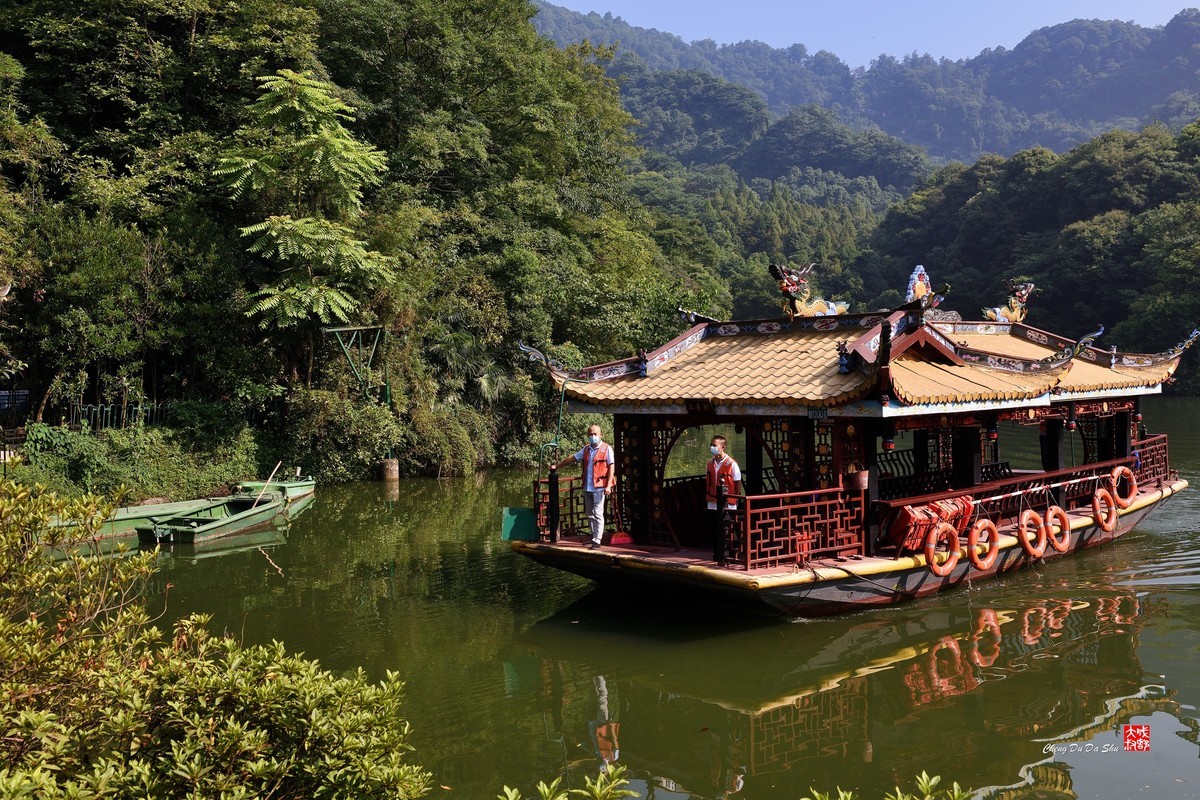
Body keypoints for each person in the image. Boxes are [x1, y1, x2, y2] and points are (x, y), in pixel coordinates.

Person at [553, 424, 615, 549]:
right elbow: (573, 458)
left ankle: (598, 540)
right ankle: (593, 537)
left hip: (600, 487)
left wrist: (608, 486)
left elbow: (611, 467)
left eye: (595, 434)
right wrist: (557, 466)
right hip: (588, 486)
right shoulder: (586, 449)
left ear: (600, 435)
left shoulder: (607, 449)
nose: (593, 436)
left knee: (598, 513)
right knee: (590, 513)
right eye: (591, 434)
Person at [706, 435, 743, 511]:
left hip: (728, 503)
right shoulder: (710, 464)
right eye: (711, 445)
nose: (712, 447)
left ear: (723, 447)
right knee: (713, 522)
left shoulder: (732, 464)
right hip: (712, 502)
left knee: (727, 522)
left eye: (715, 445)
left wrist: (735, 498)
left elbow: (738, 484)